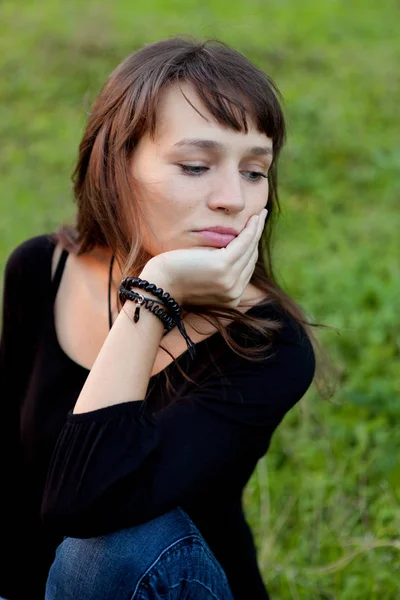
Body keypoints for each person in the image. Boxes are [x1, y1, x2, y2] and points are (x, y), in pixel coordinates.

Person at [0, 37, 318, 600]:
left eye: (254, 171)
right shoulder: (39, 270)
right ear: (115, 163)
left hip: (171, 583)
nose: (232, 198)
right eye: (196, 166)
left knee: (111, 540)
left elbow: (87, 501)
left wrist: (154, 296)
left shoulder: (267, 344)